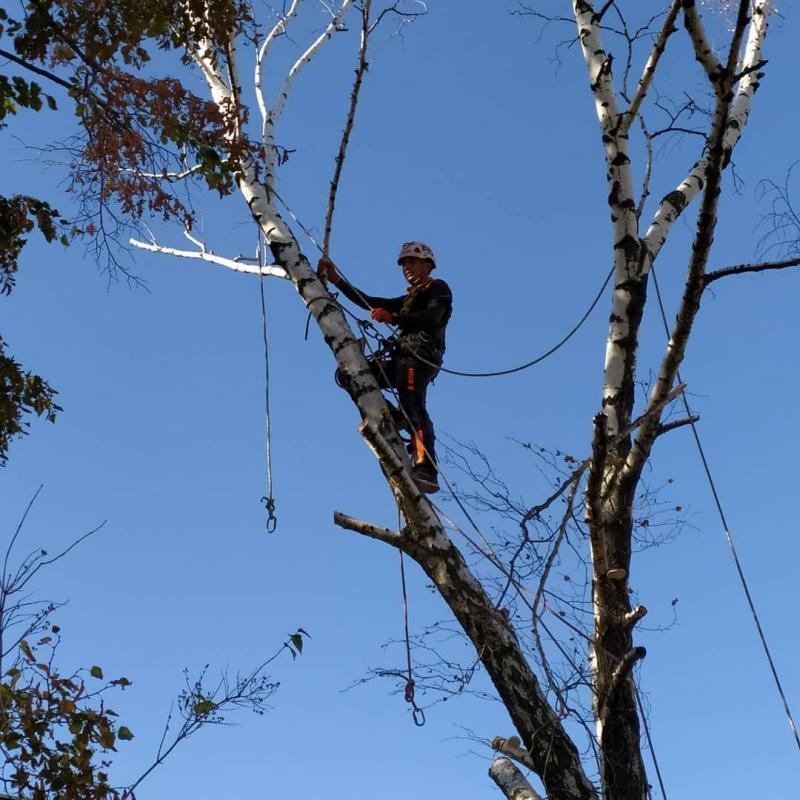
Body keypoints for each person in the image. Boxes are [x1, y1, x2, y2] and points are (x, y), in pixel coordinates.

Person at [318, 241, 452, 494]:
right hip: (402, 358)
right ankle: (394, 415)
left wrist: (395, 318)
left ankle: (426, 467)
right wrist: (337, 281)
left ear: (427, 264)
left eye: (411, 262)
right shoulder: (410, 298)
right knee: (350, 374)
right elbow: (370, 301)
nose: (406, 268)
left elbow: (431, 317)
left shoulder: (437, 288)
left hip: (419, 357)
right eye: (404, 264)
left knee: (413, 403)